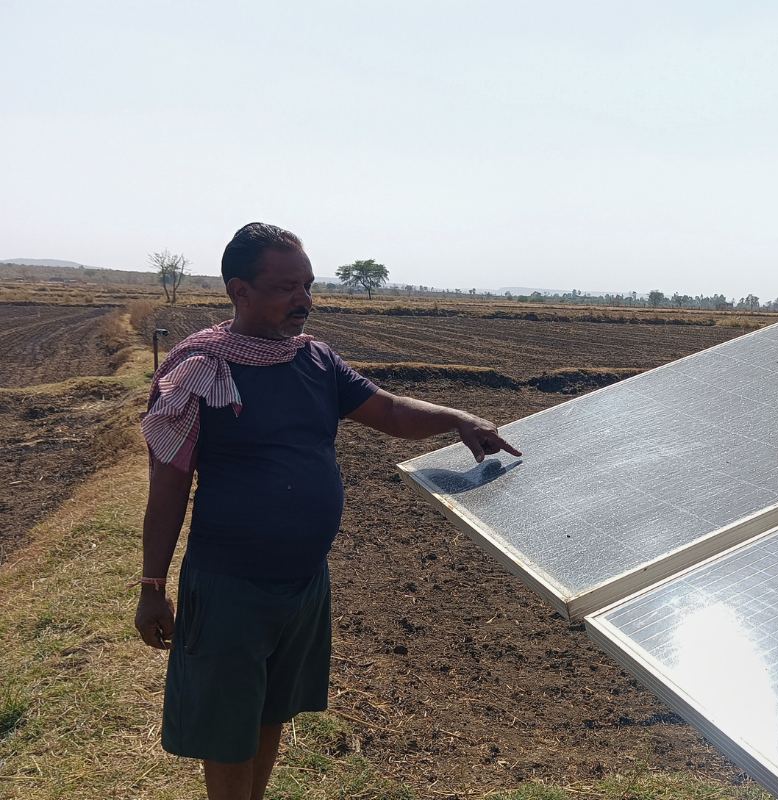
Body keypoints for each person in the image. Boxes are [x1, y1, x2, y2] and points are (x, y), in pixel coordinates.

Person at [133, 223, 520, 800]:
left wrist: (456, 418)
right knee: (226, 729)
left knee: (271, 711)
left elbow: (389, 411)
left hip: (305, 583)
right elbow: (167, 487)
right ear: (239, 291)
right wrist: (152, 587)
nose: (304, 300)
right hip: (231, 584)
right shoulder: (202, 371)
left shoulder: (315, 360)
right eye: (286, 287)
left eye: (308, 285)